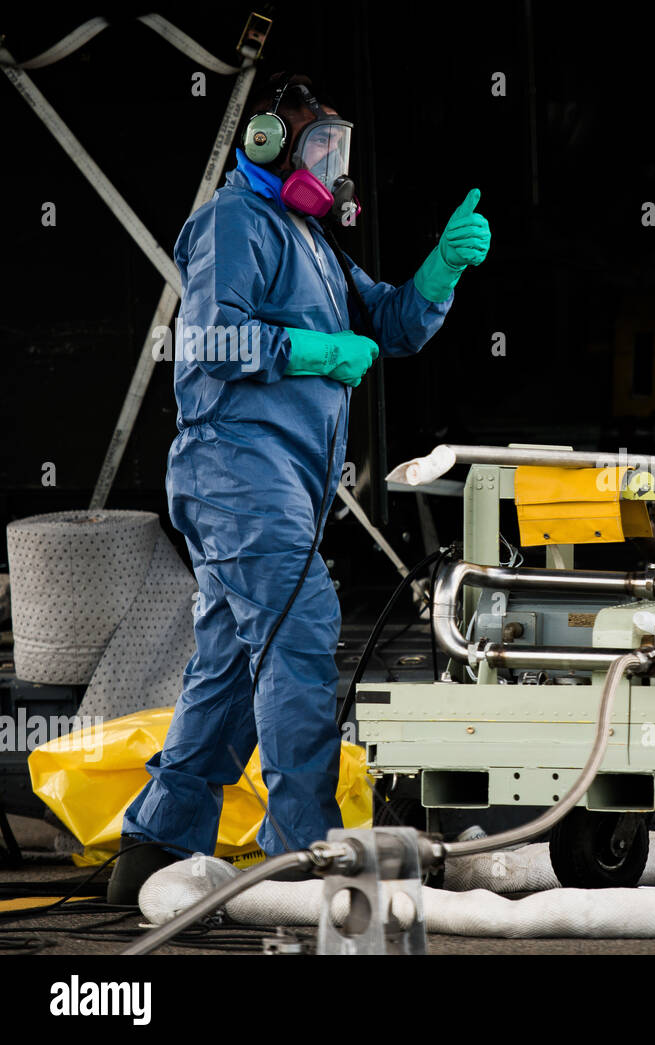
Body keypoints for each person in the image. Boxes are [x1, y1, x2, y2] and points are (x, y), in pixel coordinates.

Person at [107, 73, 490, 904]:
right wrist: (313, 354)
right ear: (268, 146)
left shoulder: (312, 242)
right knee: (302, 626)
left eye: (337, 148)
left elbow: (389, 322)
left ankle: (156, 840)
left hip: (276, 485)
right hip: (237, 472)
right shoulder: (233, 222)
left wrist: (437, 272)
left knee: (233, 666)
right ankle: (305, 860)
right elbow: (208, 333)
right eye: (319, 146)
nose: (332, 162)